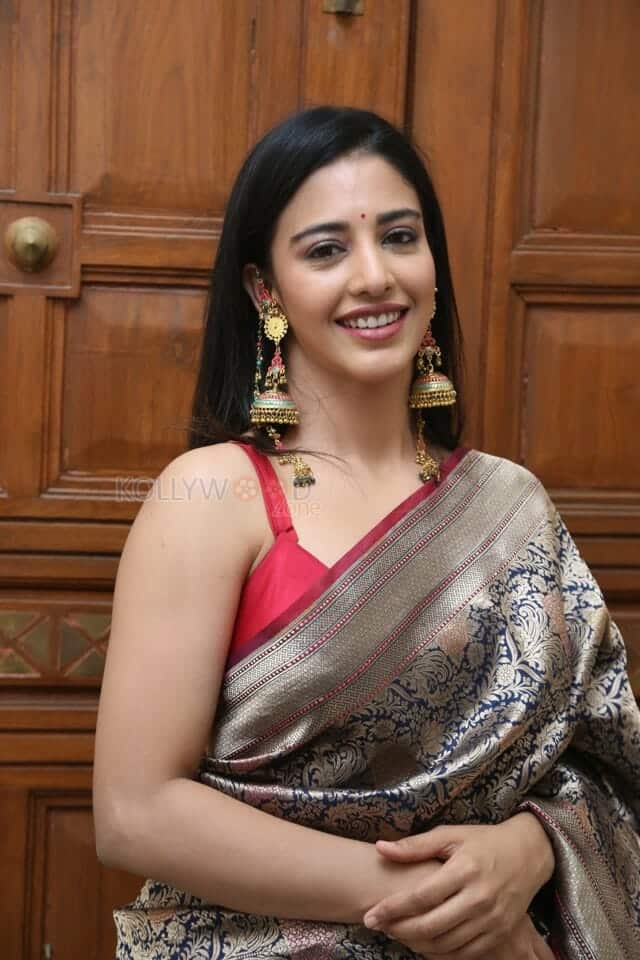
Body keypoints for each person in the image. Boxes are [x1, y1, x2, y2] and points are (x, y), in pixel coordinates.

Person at [93, 106, 640, 960]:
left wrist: (530, 849)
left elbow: (604, 764)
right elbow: (136, 812)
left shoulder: (511, 503)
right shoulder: (211, 497)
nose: (375, 276)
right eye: (326, 250)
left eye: (399, 237)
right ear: (264, 290)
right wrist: (438, 903)